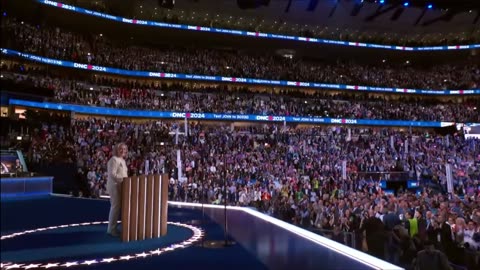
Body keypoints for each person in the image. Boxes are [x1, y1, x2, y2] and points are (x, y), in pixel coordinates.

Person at [106, 142, 128, 237]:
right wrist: (123, 179)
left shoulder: (122, 160)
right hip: (114, 186)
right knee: (115, 206)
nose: (123, 150)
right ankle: (111, 229)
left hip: (122, 185)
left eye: (124, 149)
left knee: (118, 207)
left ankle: (115, 228)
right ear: (116, 150)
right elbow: (112, 174)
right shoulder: (113, 160)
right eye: (120, 149)